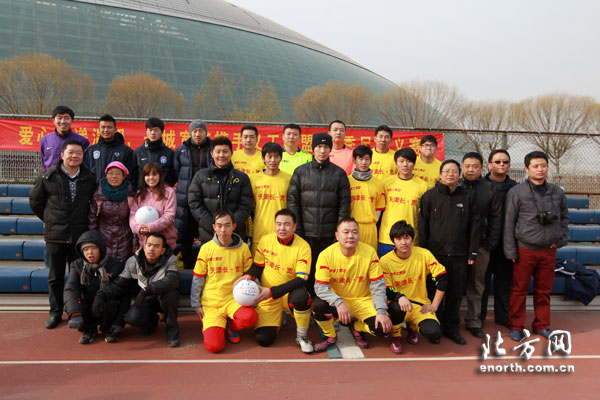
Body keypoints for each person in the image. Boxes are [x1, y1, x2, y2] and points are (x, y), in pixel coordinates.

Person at [30, 140, 96, 329]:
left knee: (80, 277)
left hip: (79, 236)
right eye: (71, 152)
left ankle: (77, 311)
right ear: (62, 155)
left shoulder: (89, 178)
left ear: (83, 156)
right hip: (55, 235)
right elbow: (35, 201)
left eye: (78, 153)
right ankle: (55, 312)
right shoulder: (48, 176)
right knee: (55, 277)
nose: (74, 156)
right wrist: (50, 219)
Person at [504, 151, 569, 341]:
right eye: (535, 166)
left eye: (543, 166)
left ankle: (541, 325)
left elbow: (565, 218)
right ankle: (516, 326)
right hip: (525, 249)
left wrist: (561, 239)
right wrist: (510, 250)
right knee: (519, 290)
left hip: (549, 249)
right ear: (527, 169)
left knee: (544, 291)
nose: (540, 169)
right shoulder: (517, 192)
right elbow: (509, 222)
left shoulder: (557, 192)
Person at [419, 159, 479, 345]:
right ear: (440, 174)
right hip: (435, 255)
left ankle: (452, 328)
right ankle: (435, 325)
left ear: (459, 174)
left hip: (460, 255)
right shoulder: (430, 196)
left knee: (455, 293)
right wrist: (425, 253)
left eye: (454, 171)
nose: (450, 174)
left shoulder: (468, 197)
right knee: (434, 292)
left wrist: (472, 252)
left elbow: (474, 226)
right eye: (446, 171)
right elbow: (423, 226)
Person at [237, 209, 314, 353]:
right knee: (263, 340)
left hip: (286, 294)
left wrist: (272, 292)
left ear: (294, 227)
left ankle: (302, 336)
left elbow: (301, 279)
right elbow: (258, 266)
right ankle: (278, 318)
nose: (282, 228)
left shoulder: (303, 246)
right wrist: (249, 276)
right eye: (278, 224)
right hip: (268, 297)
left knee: (301, 297)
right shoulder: (266, 240)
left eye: (287, 224)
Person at [312, 218, 392, 352]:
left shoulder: (369, 252)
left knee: (384, 329)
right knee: (318, 306)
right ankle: (330, 336)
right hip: (339, 301)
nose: (350, 236)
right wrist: (338, 302)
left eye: (355, 232)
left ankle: (358, 327)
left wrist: (381, 311)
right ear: (337, 235)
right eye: (346, 232)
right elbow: (320, 288)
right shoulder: (326, 255)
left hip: (363, 300)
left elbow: (377, 285)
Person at [287, 132, 351, 295]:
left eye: (326, 147)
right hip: (307, 233)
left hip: (330, 235)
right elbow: (293, 203)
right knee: (307, 271)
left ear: (330, 149)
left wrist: (339, 231)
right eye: (319, 147)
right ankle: (309, 302)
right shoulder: (301, 172)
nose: (322, 151)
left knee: (329, 270)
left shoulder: (339, 173)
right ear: (313, 148)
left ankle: (327, 304)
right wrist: (298, 229)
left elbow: (344, 205)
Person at [94, 232, 180, 347]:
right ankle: (151, 322)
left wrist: (148, 289)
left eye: (156, 246)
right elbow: (120, 284)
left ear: (162, 250)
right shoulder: (132, 261)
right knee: (132, 318)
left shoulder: (171, 260)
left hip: (162, 297)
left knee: (171, 294)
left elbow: (172, 280)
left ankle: (172, 332)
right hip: (145, 298)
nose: (151, 249)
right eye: (149, 245)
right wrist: (102, 294)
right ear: (144, 247)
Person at [190, 210, 258, 353]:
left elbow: (250, 274)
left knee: (251, 318)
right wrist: (195, 304)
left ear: (234, 226)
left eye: (227, 225)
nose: (223, 230)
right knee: (214, 347)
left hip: (235, 301)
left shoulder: (243, 248)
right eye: (219, 225)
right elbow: (198, 278)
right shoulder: (206, 249)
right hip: (212, 303)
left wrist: (253, 293)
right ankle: (218, 325)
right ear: (214, 227)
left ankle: (231, 326)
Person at [380, 221, 447, 354]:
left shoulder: (424, 254)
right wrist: (400, 297)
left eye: (407, 238)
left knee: (433, 332)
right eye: (399, 239)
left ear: (412, 238)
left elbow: (443, 278)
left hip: (419, 305)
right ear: (393, 241)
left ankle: (413, 327)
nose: (403, 242)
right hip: (397, 305)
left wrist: (434, 305)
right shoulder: (385, 261)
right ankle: (396, 336)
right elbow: (386, 289)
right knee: (391, 313)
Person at [459, 152, 503, 339]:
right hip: (457, 246)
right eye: (467, 166)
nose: (470, 170)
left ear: (482, 168)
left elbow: (496, 219)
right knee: (452, 284)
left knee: (477, 284)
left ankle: (474, 321)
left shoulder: (490, 189)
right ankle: (448, 320)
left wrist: (490, 244)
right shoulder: (455, 186)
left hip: (481, 246)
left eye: (475, 166)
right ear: (462, 167)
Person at [64, 231, 128, 344]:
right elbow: (71, 289)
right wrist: (74, 313)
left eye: (94, 248)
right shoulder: (77, 265)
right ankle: (89, 330)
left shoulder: (115, 265)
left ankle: (108, 329)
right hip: (88, 304)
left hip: (106, 304)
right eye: (86, 249)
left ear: (101, 249)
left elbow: (123, 292)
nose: (90, 252)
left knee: (112, 301)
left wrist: (119, 322)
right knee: (77, 301)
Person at [188, 135, 253, 245]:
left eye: (225, 151)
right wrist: (213, 226)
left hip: (235, 233)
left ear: (231, 153)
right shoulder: (201, 176)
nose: (221, 155)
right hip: (208, 234)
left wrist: (230, 226)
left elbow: (245, 205)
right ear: (212, 154)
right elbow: (194, 203)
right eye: (218, 152)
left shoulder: (242, 178)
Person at [481, 149, 517, 327]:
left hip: (507, 244)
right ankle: (479, 318)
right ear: (489, 165)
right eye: (497, 162)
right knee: (482, 284)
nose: (502, 165)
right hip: (485, 243)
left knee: (504, 284)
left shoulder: (515, 188)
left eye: (505, 162)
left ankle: (503, 318)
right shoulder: (481, 186)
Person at [174, 119, 214, 269]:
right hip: (186, 199)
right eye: (195, 131)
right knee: (185, 234)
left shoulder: (213, 148)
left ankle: (206, 266)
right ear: (190, 132)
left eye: (201, 131)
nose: (198, 134)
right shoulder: (181, 150)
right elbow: (176, 172)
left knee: (206, 234)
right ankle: (187, 265)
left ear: (206, 132)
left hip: (207, 198)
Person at [378, 148, 428, 257]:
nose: (405, 165)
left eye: (409, 161)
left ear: (414, 164)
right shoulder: (386, 183)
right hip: (386, 239)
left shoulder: (423, 186)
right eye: (401, 161)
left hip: (409, 239)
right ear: (396, 164)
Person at [249, 142, 291, 254]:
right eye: (269, 156)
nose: (273, 160)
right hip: (260, 232)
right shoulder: (253, 179)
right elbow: (249, 207)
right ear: (263, 158)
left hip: (282, 232)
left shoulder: (288, 179)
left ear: (281, 158)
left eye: (276, 157)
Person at [89, 161, 135, 263]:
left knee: (122, 266)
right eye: (110, 173)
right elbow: (93, 218)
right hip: (104, 235)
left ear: (124, 177)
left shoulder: (130, 195)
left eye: (118, 173)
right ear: (106, 176)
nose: (114, 176)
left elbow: (134, 219)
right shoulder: (99, 194)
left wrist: (134, 241)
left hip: (125, 238)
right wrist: (93, 239)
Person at [129, 163, 177, 250]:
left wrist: (151, 227)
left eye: (154, 175)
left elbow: (169, 215)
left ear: (160, 176)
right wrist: (138, 228)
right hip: (145, 244)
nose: (151, 178)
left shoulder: (169, 192)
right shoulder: (140, 194)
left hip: (165, 242)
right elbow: (133, 215)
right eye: (147, 175)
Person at [348, 145, 385, 250]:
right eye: (360, 159)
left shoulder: (378, 183)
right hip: (351, 227)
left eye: (367, 159)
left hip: (370, 228)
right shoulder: (347, 181)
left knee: (369, 256)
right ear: (354, 160)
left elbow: (378, 209)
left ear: (371, 161)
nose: (364, 162)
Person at [83, 114, 135, 185]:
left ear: (115, 129)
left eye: (109, 127)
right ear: (99, 129)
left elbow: (131, 175)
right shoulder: (91, 151)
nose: (106, 130)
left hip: (118, 190)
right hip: (95, 190)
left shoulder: (126, 151)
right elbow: (85, 173)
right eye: (103, 127)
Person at [40, 105, 89, 170]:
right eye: (59, 118)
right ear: (53, 120)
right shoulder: (45, 140)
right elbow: (44, 161)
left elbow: (86, 163)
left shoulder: (82, 141)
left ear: (72, 120)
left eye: (66, 118)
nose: (63, 121)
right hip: (51, 175)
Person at [133, 117, 176, 187]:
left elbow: (174, 175)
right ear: (146, 132)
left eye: (156, 130)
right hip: (143, 192)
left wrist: (165, 187)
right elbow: (133, 175)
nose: (153, 133)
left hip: (163, 192)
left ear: (162, 132)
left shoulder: (170, 153)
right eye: (150, 130)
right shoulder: (138, 152)